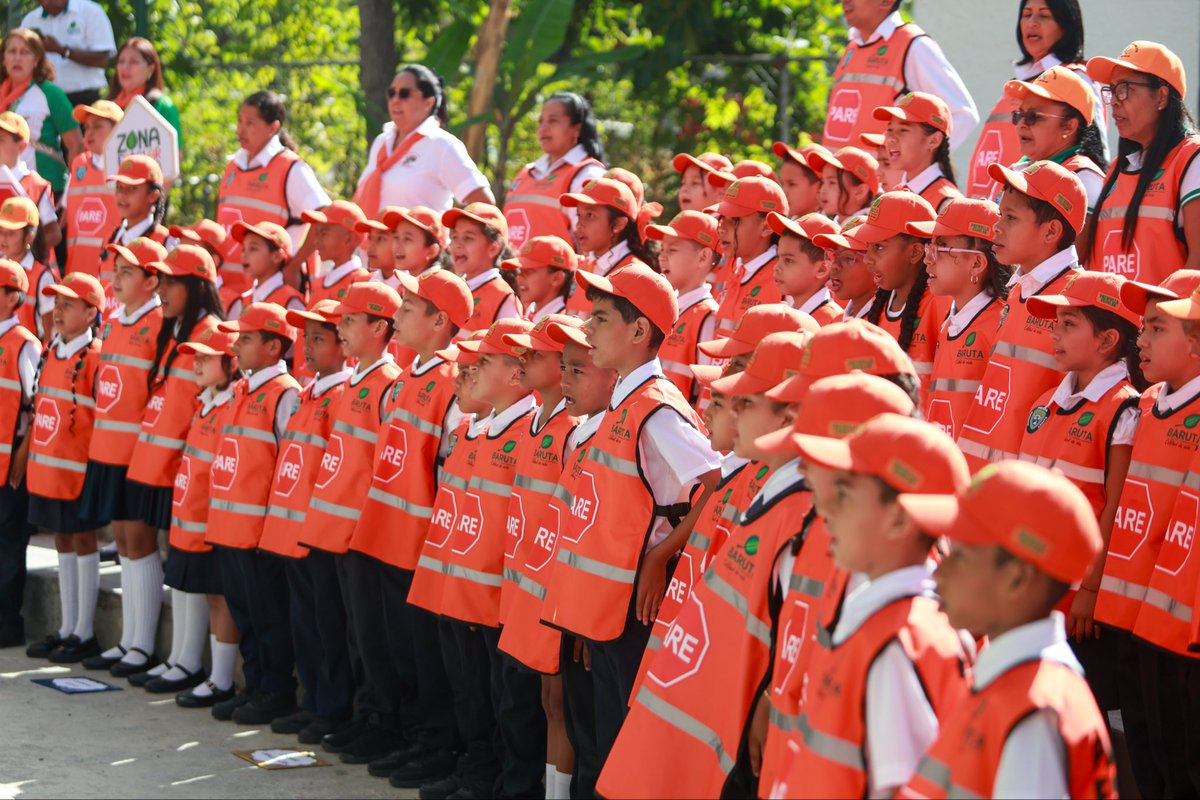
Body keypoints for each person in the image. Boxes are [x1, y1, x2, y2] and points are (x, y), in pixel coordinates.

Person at [598, 331, 812, 798]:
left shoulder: (790, 507)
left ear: (789, 414)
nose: (724, 410)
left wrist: (767, 698)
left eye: (743, 401)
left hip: (731, 705)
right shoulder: (752, 483)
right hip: (697, 680)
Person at [540, 264, 721, 794]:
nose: (588, 329)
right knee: (599, 733)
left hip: (639, 604)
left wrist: (661, 556)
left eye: (599, 318)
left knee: (624, 739)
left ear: (639, 331)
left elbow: (717, 485)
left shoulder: (658, 410)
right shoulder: (624, 400)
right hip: (607, 601)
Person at [769, 413, 972, 797]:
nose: (825, 510)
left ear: (898, 521)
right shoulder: (879, 620)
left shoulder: (899, 645)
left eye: (845, 494)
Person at [896, 461, 1118, 799]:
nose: (940, 573)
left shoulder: (1033, 714)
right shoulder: (1013, 685)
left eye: (960, 557)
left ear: (1017, 578)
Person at [349, 269, 473, 789]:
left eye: (407, 308)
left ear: (439, 321)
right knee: (396, 646)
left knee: (426, 655)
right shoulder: (407, 377)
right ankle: (404, 733)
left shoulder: (451, 381)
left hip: (422, 541)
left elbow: (450, 467)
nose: (396, 317)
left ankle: (435, 743)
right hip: (388, 534)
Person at [408, 319, 541, 799]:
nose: (470, 372)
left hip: (495, 597)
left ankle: (498, 780)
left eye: (483, 363)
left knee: (504, 700)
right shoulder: (473, 429)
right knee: (470, 691)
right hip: (461, 585)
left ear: (515, 374)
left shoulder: (529, 430)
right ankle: (477, 769)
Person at [87, 245, 222, 677]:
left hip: (185, 464)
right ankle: (140, 645)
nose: (162, 289)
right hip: (154, 456)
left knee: (176, 556)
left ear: (194, 285)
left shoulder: (209, 330)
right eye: (159, 280)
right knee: (136, 544)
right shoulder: (175, 328)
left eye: (170, 281)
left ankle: (176, 658)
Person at [497, 317, 617, 800]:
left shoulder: (580, 428)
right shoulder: (542, 422)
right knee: (547, 701)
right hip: (534, 584)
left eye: (571, 367)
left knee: (565, 704)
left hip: (565, 592)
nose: (565, 378)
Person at [1018, 272, 1141, 723]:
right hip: (1037, 592)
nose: (1055, 333)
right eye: (1056, 323)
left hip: (1079, 606)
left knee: (1073, 719)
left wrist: (1091, 589)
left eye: (1069, 324)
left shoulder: (1124, 408)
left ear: (1108, 339)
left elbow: (1117, 504)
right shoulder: (1047, 401)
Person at [1095, 271, 1200, 797]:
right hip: (1129, 616)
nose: (1142, 339)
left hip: (1181, 639)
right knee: (1146, 753)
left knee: (1182, 767)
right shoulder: (1144, 405)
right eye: (1143, 326)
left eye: (1158, 328)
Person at [297, 282, 404, 759]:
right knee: (354, 632)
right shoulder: (356, 381)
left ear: (379, 327)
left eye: (348, 320)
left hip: (366, 534)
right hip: (338, 531)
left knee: (374, 637)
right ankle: (364, 716)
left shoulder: (387, 385)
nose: (338, 328)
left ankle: (383, 722)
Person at [254, 299, 353, 740]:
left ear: (342, 345)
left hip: (321, 531)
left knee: (329, 623)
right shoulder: (309, 391)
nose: (308, 347)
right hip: (291, 528)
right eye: (306, 337)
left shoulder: (342, 394)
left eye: (319, 338)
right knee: (305, 621)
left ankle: (332, 708)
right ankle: (313, 700)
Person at [69, 236, 165, 667]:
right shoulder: (112, 320)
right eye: (116, 271)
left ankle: (142, 645)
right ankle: (129, 641)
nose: (116, 279)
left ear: (152, 280)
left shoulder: (160, 323)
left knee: (140, 541)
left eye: (127, 272)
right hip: (107, 447)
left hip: (138, 451)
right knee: (123, 541)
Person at [957, 160, 1086, 470]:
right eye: (1001, 215)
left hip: (1024, 489)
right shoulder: (1017, 291)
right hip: (986, 479)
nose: (996, 227)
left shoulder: (1076, 299)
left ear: (1051, 231)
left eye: (1011, 218)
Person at [22, 272, 103, 664]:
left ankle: (84, 632)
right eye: (57, 302)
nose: (58, 310)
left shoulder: (95, 358)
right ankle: (68, 627)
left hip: (80, 470)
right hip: (52, 471)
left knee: (83, 540)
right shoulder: (51, 350)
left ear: (91, 313)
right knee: (62, 541)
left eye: (69, 304)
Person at [167, 327, 242, 707]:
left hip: (216, 522)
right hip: (191, 517)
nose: (195, 363)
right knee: (210, 596)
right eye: (194, 357)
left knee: (220, 597)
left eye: (205, 358)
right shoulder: (207, 401)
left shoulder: (232, 405)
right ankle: (197, 668)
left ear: (230, 363)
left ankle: (221, 679)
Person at [1084, 40, 1200, 283]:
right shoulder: (1118, 167)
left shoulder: (1192, 158)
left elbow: (1196, 269)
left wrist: (1158, 321)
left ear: (1161, 97)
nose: (1115, 100)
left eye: (1125, 89)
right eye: (1112, 90)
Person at [965, 0, 1104, 199]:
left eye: (1044, 15)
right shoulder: (1019, 82)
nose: (1032, 23)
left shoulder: (1075, 78)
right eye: (1026, 14)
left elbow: (1095, 147)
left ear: (1066, 24)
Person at [906, 198, 1010, 437]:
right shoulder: (952, 322)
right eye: (929, 247)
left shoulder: (999, 324)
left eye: (940, 248)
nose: (927, 259)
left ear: (976, 263)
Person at [822, 0, 978, 150]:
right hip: (842, 175)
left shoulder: (914, 46)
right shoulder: (852, 48)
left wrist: (919, 165)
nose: (845, 0)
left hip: (880, 177)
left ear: (886, 1)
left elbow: (963, 116)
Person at [215, 90, 330, 283]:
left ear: (273, 128)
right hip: (230, 287)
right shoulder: (232, 166)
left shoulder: (290, 168)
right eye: (240, 121)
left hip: (273, 290)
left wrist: (294, 265)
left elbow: (324, 215)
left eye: (250, 123)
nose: (240, 130)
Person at [355, 64, 493, 219]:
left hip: (424, 243)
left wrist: (459, 238)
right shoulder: (382, 142)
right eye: (391, 93)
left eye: (404, 94)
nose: (395, 100)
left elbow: (485, 205)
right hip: (370, 242)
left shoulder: (442, 146)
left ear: (429, 102)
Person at [857, 190, 945, 399]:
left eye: (879, 247)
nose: (868, 259)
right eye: (868, 247)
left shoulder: (939, 305)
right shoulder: (876, 305)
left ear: (915, 252)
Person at [996, 65, 1107, 210]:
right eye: (1019, 115)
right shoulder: (1018, 169)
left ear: (1069, 126)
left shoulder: (1082, 179)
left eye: (1033, 117)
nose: (1021, 124)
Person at [504, 93, 606, 250]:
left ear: (576, 129)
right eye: (541, 121)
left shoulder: (587, 176)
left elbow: (592, 247)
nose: (543, 128)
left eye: (553, 121)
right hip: (513, 273)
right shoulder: (525, 172)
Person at [0, 261, 41, 648]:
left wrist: (22, 456)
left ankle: (7, 622)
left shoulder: (24, 343)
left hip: (9, 462)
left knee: (9, 544)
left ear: (13, 297)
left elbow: (34, 407)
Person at [644, 210, 720, 404]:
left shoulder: (707, 316)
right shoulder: (664, 307)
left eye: (672, 250)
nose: (662, 257)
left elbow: (706, 391)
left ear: (703, 257)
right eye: (662, 250)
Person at [0, 28, 83, 201]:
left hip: (45, 189)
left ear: (36, 59)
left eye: (25, 52)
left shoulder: (51, 93)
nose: (17, 58)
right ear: (4, 59)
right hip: (4, 188)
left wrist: (70, 195)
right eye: (12, 51)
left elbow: (76, 144)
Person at [559, 177, 655, 317]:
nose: (578, 225)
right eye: (579, 215)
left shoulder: (637, 275)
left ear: (618, 224)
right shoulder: (585, 265)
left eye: (590, 215)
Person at [713, 176, 789, 335]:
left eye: (734, 220)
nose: (721, 228)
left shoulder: (783, 281)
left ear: (767, 227)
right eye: (722, 218)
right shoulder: (736, 269)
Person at [873, 91, 962, 211]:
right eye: (890, 129)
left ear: (934, 140)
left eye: (903, 130)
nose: (890, 139)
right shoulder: (894, 194)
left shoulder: (948, 204)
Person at [62, 99, 121, 279]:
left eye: (97, 126)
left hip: (111, 279)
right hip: (76, 275)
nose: (89, 132)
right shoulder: (78, 164)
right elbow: (64, 219)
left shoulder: (127, 170)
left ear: (118, 130)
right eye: (86, 127)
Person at [443, 203, 523, 334]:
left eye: (468, 238)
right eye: (454, 237)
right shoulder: (452, 288)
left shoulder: (503, 297)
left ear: (493, 248)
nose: (457, 244)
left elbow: (508, 351)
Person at [20, 0, 115, 107]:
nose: (46, 3)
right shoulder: (30, 20)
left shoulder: (90, 12)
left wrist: (62, 51)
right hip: (44, 100)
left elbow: (102, 60)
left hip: (86, 98)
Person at [97, 154, 169, 289]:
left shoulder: (167, 241)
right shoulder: (109, 240)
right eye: (119, 187)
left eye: (131, 188)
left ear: (153, 195)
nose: (122, 194)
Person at [0, 111, 61, 256]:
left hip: (30, 274)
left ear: (21, 145)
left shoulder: (37, 184)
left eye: (1, 140)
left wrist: (20, 254)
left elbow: (53, 233)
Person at [107, 38, 182, 155]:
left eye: (134, 62)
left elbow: (175, 155)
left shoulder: (162, 105)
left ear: (151, 68)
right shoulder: (107, 108)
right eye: (121, 61)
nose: (125, 67)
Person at [767, 211, 843, 324]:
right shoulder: (787, 314)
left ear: (822, 269)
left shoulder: (833, 323)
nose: (776, 267)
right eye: (778, 257)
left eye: (788, 260)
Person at [299, 200, 372, 305]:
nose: (316, 241)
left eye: (323, 233)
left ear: (349, 240)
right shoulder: (319, 283)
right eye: (317, 233)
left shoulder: (362, 283)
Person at [226, 221, 303, 318]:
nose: (244, 255)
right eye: (243, 249)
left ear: (276, 256)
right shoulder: (242, 301)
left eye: (253, 248)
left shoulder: (291, 302)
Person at [2, 197, 52, 343]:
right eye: (1, 231)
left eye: (11, 233)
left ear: (29, 237)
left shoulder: (43, 276)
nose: (3, 238)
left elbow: (50, 332)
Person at [814, 216, 875, 319]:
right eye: (833, 256)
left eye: (848, 258)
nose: (835, 265)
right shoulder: (837, 320)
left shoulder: (889, 324)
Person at [509, 235, 577, 320]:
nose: (519, 277)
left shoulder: (559, 325)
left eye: (528, 271)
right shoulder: (531, 311)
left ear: (557, 278)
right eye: (519, 271)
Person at [807, 146, 880, 222]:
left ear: (860, 191)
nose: (822, 190)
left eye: (832, 183)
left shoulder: (862, 230)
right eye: (823, 182)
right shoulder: (833, 224)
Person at [773, 141, 828, 219]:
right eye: (782, 184)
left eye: (792, 184)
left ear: (819, 187)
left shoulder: (830, 230)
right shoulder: (790, 224)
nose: (784, 192)